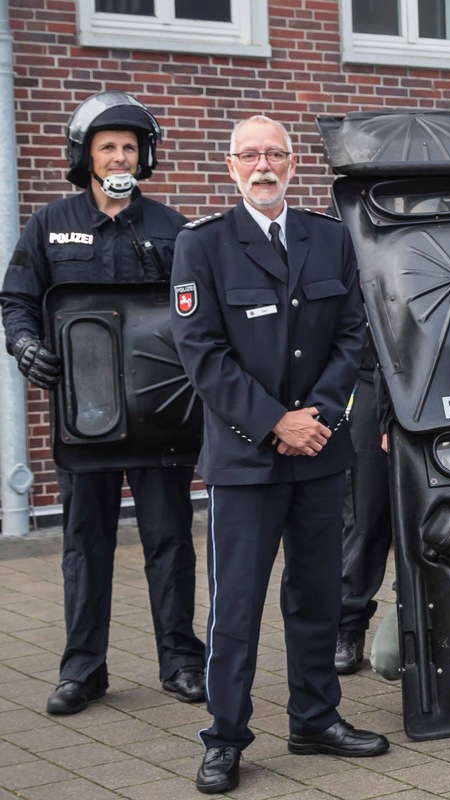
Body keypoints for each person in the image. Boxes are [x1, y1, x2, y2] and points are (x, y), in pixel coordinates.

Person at [170, 114, 385, 795]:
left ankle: (316, 719)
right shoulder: (201, 245)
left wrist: (315, 419)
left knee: (317, 597)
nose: (263, 165)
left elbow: (353, 334)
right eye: (249, 155)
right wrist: (275, 424)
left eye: (275, 154)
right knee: (235, 608)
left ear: (293, 164)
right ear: (231, 167)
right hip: (246, 459)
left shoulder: (328, 239)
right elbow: (201, 353)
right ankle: (225, 738)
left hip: (320, 454)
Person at [0, 91, 206, 716]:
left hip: (158, 415)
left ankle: (181, 662)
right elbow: (17, 300)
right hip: (84, 417)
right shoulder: (49, 222)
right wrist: (25, 343)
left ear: (144, 157)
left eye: (129, 146)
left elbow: (198, 312)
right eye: (107, 145)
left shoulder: (172, 228)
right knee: (84, 541)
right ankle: (82, 671)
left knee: (170, 538)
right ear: (85, 156)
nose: (120, 154)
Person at [335, 337, 393, 675]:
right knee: (364, 517)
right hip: (369, 377)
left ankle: (425, 621)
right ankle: (348, 627)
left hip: (433, 377)